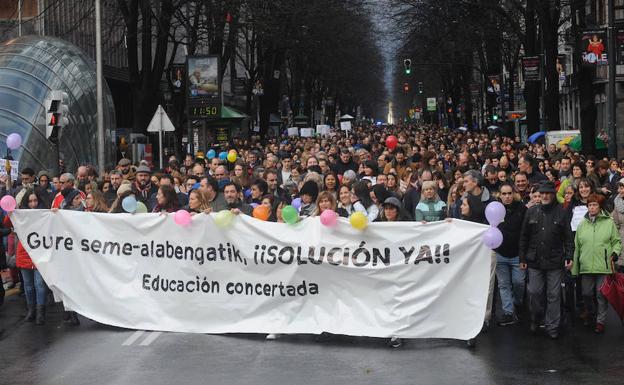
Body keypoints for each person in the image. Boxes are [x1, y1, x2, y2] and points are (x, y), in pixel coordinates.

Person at [519, 181, 574, 339]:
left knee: (554, 294)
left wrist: (569, 256)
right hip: (534, 260)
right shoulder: (531, 212)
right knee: (534, 292)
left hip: (555, 260)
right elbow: (524, 236)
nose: (544, 196)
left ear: (553, 195)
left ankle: (552, 326)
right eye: (542, 193)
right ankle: (536, 317)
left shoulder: (561, 212)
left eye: (547, 193)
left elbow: (568, 238)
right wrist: (522, 257)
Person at [572, 193, 621, 333]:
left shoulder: (609, 222)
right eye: (590, 205)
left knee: (601, 295)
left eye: (595, 205)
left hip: (603, 265)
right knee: (586, 294)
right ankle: (591, 313)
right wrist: (575, 268)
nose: (592, 207)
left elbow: (616, 241)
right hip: (586, 265)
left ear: (600, 207)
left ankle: (600, 322)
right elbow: (577, 246)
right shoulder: (582, 224)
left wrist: (614, 253)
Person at [494, 182, 527, 326]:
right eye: (504, 194)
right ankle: (508, 312)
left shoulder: (522, 209)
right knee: (503, 284)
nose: (507, 197)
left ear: (513, 194)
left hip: (517, 255)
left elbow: (525, 233)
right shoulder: (494, 209)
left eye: (509, 193)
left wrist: (523, 255)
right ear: (499, 195)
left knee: (519, 282)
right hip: (500, 253)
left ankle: (517, 304)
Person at [15, 189, 49, 324]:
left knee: (40, 284)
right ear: (25, 202)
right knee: (28, 286)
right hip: (24, 254)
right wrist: (12, 212)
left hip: (39, 254)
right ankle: (32, 310)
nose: (33, 204)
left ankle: (41, 313)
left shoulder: (45, 214)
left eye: (35, 200)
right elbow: (6, 222)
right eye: (30, 201)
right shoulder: (20, 214)